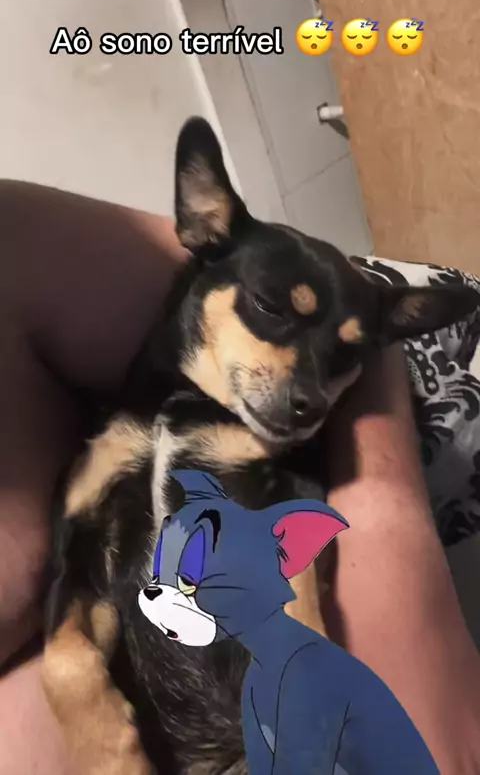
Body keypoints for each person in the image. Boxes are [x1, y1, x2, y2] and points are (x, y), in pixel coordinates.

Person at [0, 180, 479, 775]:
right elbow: (79, 576)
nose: (308, 388)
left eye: (335, 358)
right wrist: (71, 677)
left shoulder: (18, 248)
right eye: (273, 311)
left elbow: (337, 289)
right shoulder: (111, 450)